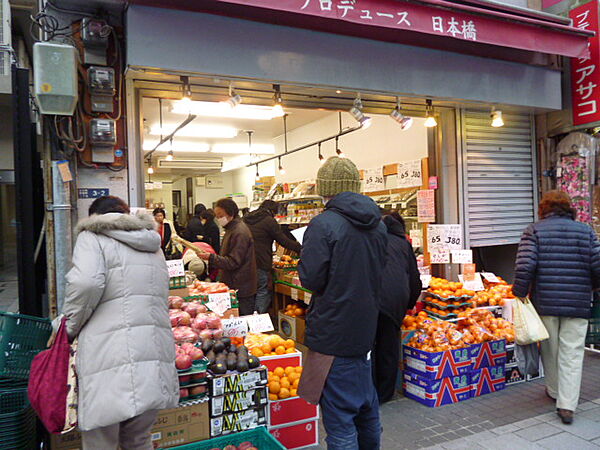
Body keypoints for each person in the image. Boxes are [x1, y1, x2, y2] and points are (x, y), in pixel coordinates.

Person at [61, 196, 179, 449]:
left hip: (108, 356)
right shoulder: (153, 245)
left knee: (101, 441)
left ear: (95, 217)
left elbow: (85, 284)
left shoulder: (92, 237)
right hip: (152, 353)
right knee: (138, 439)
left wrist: (68, 328)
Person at [297, 156, 387, 450]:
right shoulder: (378, 225)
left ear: (325, 189)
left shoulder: (323, 225)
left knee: (339, 421)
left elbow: (311, 279)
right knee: (366, 408)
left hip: (332, 331)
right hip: (365, 329)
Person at [513, 190, 600, 425]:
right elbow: (598, 265)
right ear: (569, 208)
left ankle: (553, 390)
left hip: (546, 301)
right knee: (572, 353)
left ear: (544, 209)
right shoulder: (585, 231)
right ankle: (567, 405)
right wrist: (592, 288)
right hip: (578, 302)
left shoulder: (534, 230)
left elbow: (524, 266)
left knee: (550, 349)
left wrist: (519, 293)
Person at [373, 211, 422, 404]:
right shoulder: (403, 244)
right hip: (394, 301)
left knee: (369, 347)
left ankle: (369, 393)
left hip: (370, 298)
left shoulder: (371, 241)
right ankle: (385, 394)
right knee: (388, 348)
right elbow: (414, 280)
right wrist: (408, 305)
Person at [195, 198, 257, 315]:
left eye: (220, 215)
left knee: (242, 322)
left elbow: (233, 261)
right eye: (216, 216)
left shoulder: (239, 232)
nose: (218, 219)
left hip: (241, 287)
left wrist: (211, 258)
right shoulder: (231, 229)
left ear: (231, 214)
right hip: (234, 284)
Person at [244, 200, 302, 313]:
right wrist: (300, 248)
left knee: (250, 292)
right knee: (263, 290)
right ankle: (258, 321)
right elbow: (283, 240)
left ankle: (249, 319)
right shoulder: (268, 221)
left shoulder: (246, 218)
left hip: (245, 261)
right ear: (272, 211)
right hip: (261, 260)